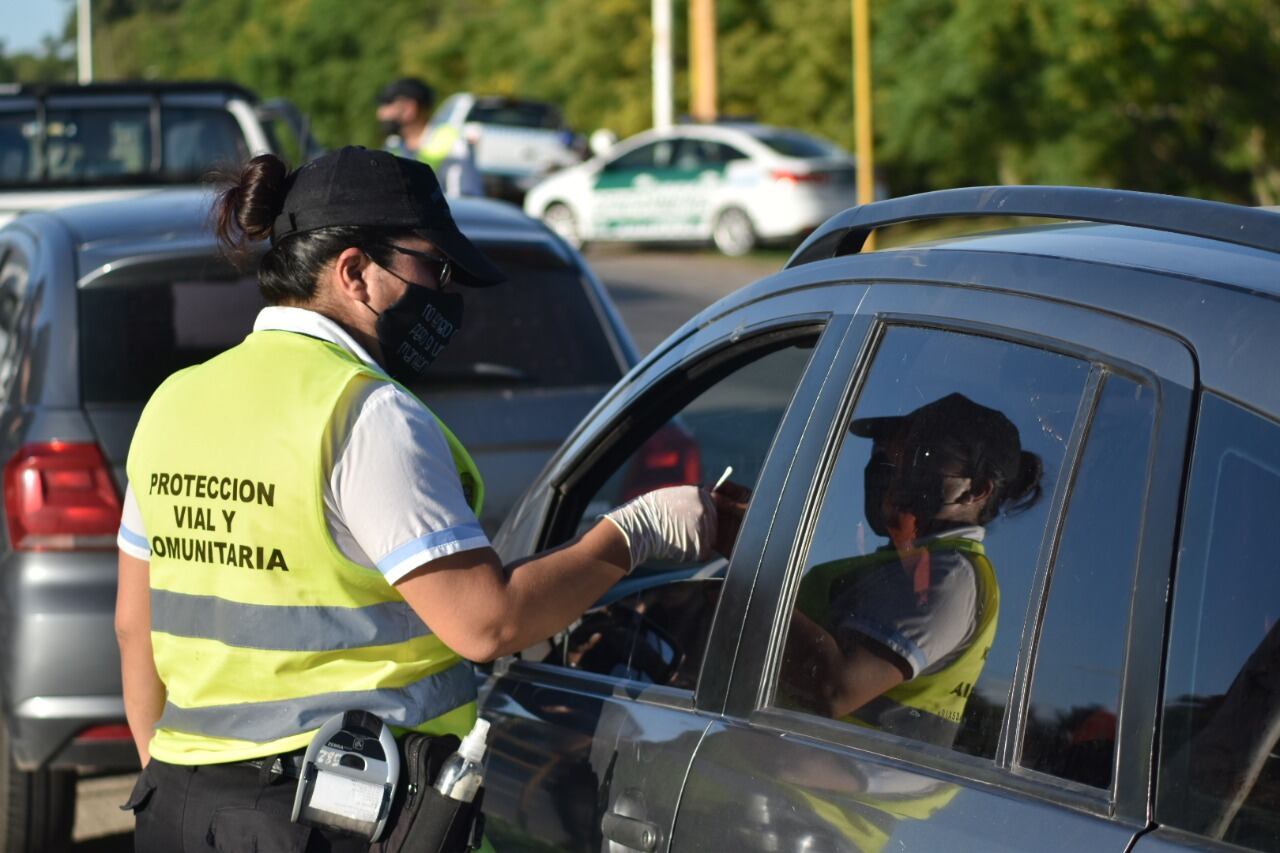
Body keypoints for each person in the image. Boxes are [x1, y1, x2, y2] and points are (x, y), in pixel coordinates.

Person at [114, 146, 724, 851]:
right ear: (354, 272)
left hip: (182, 809)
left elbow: (136, 626)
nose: (444, 291)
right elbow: (488, 624)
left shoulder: (174, 404)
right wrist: (634, 533)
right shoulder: (364, 414)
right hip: (326, 819)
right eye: (431, 267)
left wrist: (182, 792)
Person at [783, 392, 1043, 747]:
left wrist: (748, 587)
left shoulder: (949, 574)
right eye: (902, 456)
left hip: (828, 787)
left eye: (925, 458)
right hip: (800, 764)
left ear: (977, 491)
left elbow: (836, 690)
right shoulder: (907, 560)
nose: (899, 471)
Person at [377, 76, 482, 197]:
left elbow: (464, 201)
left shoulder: (452, 142)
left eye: (387, 105)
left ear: (409, 108)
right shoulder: (392, 144)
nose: (380, 114)